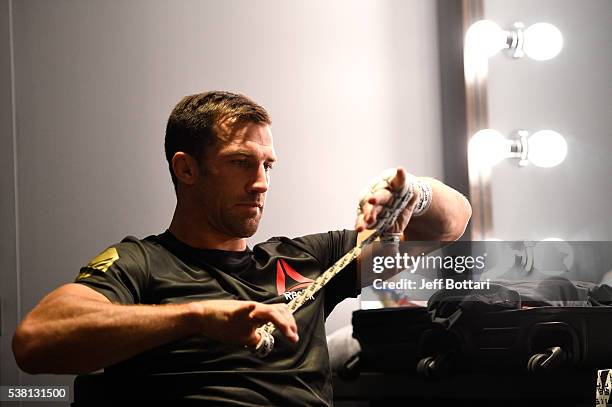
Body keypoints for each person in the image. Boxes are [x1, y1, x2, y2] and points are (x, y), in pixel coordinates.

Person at [12, 91, 471, 405]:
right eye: (239, 163)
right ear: (186, 169)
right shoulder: (141, 265)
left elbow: (451, 225)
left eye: (268, 165)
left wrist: (413, 192)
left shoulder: (307, 259)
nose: (260, 183)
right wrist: (200, 317)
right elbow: (35, 342)